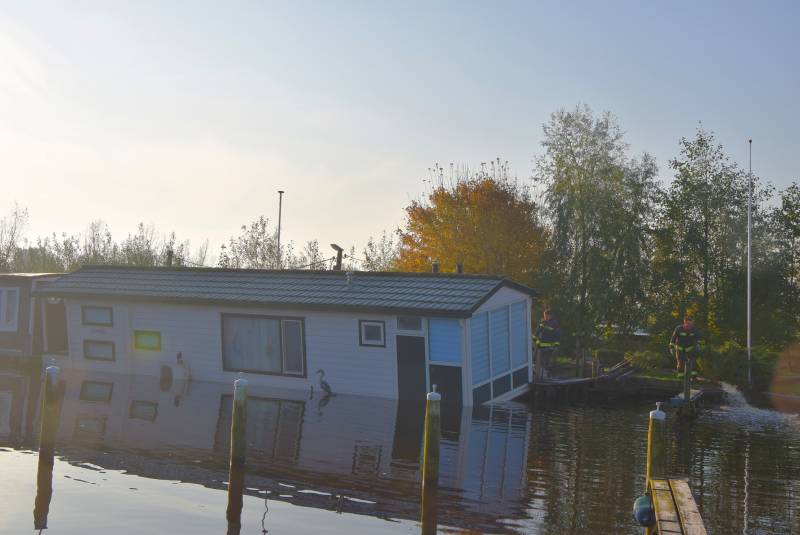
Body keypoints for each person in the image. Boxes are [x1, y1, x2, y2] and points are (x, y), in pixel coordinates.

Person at [534, 310, 560, 378]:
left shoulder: (554, 323)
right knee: (538, 361)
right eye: (544, 316)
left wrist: (556, 346)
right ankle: (541, 375)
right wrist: (535, 341)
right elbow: (536, 333)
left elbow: (557, 335)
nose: (545, 317)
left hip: (548, 347)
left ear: (550, 315)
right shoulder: (542, 322)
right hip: (540, 347)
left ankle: (545, 376)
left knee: (545, 362)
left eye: (546, 316)